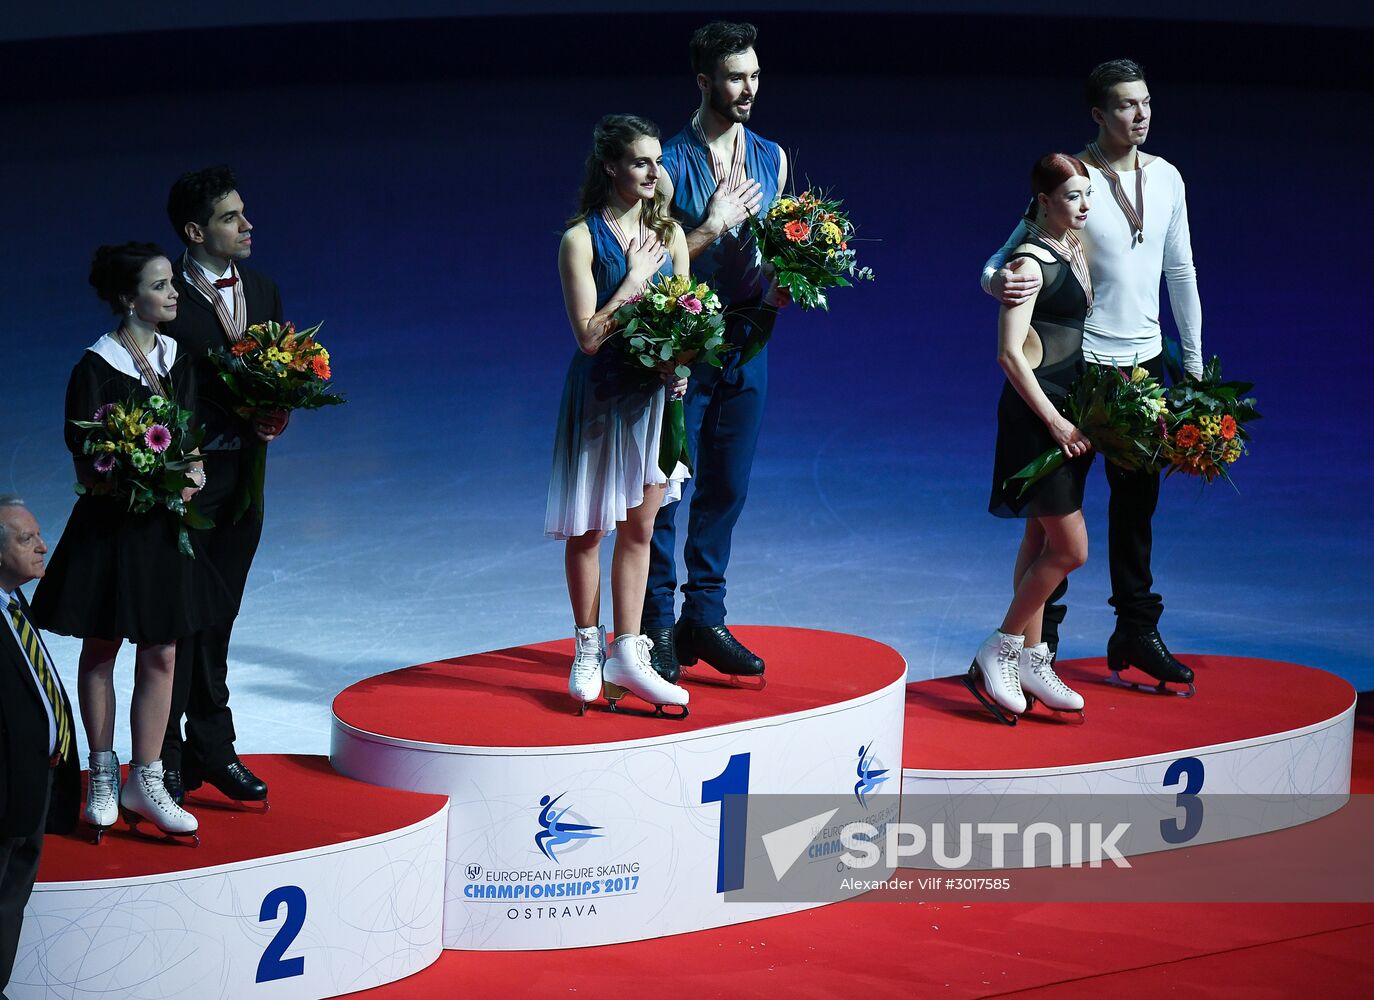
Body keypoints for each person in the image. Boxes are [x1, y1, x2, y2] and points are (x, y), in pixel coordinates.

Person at [982, 59, 1201, 695]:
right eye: (1127, 106)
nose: (1142, 114)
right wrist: (1000, 280)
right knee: (1056, 518)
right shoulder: (1071, 181)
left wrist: (1189, 368)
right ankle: (1036, 644)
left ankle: (1135, 630)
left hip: (1145, 366)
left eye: (1147, 102)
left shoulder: (1168, 179)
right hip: (1081, 371)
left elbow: (1180, 273)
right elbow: (1004, 256)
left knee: (1138, 509)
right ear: (1099, 116)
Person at [30, 243, 222, 842]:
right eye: (161, 285)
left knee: (162, 653)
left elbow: (190, 438)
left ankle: (149, 775)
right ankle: (104, 773)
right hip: (113, 531)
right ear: (127, 297)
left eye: (172, 284)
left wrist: (190, 473)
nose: (173, 295)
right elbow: (86, 460)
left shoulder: (177, 359)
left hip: (164, 530)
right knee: (103, 646)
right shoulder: (95, 366)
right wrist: (128, 473)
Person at [643, 20, 790, 685]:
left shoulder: (772, 156)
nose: (749, 87)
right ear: (704, 82)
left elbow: (774, 249)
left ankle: (703, 616)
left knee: (727, 485)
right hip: (682, 348)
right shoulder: (667, 165)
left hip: (749, 338)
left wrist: (792, 279)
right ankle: (653, 628)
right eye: (736, 76)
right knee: (668, 490)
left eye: (755, 75)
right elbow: (648, 269)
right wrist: (710, 226)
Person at [546, 114, 694, 718]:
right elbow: (587, 336)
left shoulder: (674, 235)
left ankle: (628, 655)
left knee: (640, 529)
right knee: (590, 531)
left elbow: (689, 318)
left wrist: (681, 365)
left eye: (658, 161)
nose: (656, 173)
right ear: (611, 167)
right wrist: (633, 278)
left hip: (656, 399)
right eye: (641, 162)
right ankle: (587, 650)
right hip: (602, 397)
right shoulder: (579, 240)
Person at [160, 166, 285, 805]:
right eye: (231, 217)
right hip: (187, 481)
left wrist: (276, 411)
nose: (247, 225)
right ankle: (164, 757)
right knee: (180, 619)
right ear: (195, 231)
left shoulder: (262, 291)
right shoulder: (167, 296)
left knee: (220, 617)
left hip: (244, 481)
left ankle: (213, 746)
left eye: (244, 213)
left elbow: (279, 372)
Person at [968, 155, 1096, 725]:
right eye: (1071, 196)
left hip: (1066, 410)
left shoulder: (1071, 244)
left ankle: (1032, 659)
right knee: (1071, 550)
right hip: (1037, 417)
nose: (1083, 205)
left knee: (1039, 539)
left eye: (1086, 194)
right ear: (1043, 202)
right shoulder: (1029, 262)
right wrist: (1055, 422)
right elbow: (1008, 353)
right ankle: (1000, 646)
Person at [1, 497, 79, 996]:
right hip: (5, 797)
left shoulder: (13, 601)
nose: (42, 546)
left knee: (10, 903)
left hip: (31, 789)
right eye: (26, 539)